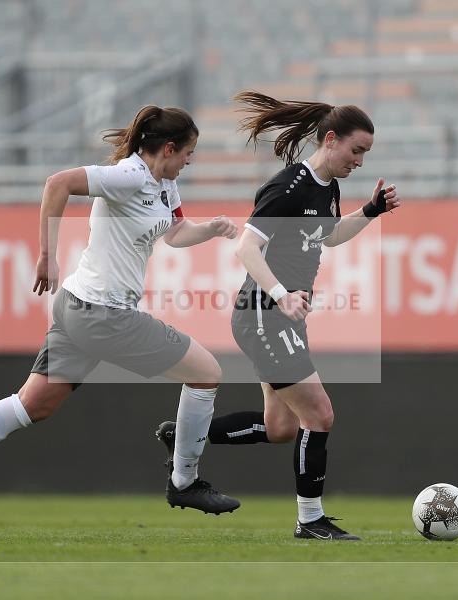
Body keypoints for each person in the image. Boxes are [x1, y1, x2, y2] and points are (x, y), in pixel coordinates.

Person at [0, 105, 241, 527]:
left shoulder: (164, 186)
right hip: (104, 314)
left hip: (80, 308)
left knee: (30, 406)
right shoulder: (128, 176)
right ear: (169, 148)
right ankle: (184, 481)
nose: (189, 161)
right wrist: (47, 255)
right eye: (187, 152)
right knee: (206, 372)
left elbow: (172, 233)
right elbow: (57, 184)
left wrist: (210, 229)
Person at [155, 91, 400, 540]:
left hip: (280, 317)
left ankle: (189, 435)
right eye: (356, 150)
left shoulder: (329, 188)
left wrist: (369, 211)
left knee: (281, 427)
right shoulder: (288, 186)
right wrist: (282, 294)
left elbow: (327, 238)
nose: (360, 161)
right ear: (331, 139)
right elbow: (247, 248)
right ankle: (310, 520)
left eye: (365, 153)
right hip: (264, 314)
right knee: (320, 415)